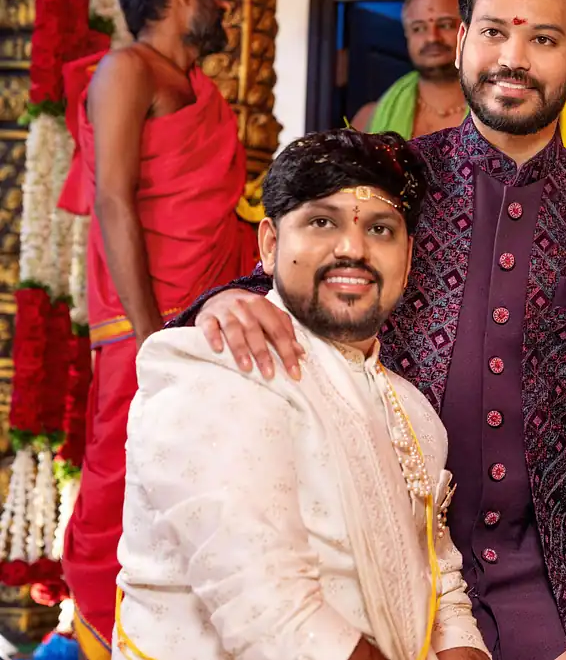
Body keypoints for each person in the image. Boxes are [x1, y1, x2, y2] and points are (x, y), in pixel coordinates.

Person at [173, 0, 566, 660]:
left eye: (543, 39)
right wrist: (219, 302)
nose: (513, 58)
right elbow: (293, 270)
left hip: (552, 590)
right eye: (495, 32)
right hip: (377, 568)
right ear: (465, 40)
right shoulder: (389, 181)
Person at [115, 129, 488, 660]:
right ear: (270, 245)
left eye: (380, 229)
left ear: (407, 261)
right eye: (322, 222)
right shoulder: (216, 365)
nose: (353, 248)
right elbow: (269, 611)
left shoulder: (414, 412)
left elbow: (439, 580)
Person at [57, 0, 260, 658]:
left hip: (211, 317)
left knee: (202, 483)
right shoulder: (128, 68)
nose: (222, 5)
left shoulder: (200, 89)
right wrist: (152, 337)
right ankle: (102, 634)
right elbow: (113, 198)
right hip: (142, 324)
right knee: (121, 476)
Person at [352, 0, 468, 138]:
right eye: (418, 28)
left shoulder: (497, 113)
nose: (432, 38)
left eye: (445, 25)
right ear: (407, 36)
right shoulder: (368, 119)